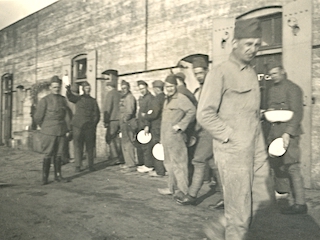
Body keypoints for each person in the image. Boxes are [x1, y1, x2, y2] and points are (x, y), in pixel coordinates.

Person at [197, 18, 272, 239]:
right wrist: (230, 137)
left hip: (256, 147)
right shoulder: (219, 72)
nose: (253, 49)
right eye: (248, 44)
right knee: (240, 210)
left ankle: (219, 227)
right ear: (235, 43)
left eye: (257, 44)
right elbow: (205, 114)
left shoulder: (250, 72)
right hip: (233, 152)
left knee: (264, 196)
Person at [175, 57, 223, 209]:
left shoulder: (213, 86)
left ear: (207, 71)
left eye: (201, 73)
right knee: (213, 164)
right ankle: (227, 197)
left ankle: (192, 195)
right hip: (203, 130)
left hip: (210, 130)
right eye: (196, 74)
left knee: (198, 160)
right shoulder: (201, 88)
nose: (198, 76)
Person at [267, 62, 307, 214]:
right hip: (275, 131)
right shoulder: (272, 90)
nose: (273, 77)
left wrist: (288, 133)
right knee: (278, 166)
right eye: (271, 74)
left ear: (283, 72)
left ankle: (300, 203)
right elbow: (272, 108)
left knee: (292, 167)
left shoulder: (293, 88)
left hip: (289, 132)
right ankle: (283, 200)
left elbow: (297, 113)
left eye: (275, 73)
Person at [158, 74, 196, 197]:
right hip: (166, 137)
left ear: (176, 86)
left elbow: (192, 111)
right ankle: (171, 188)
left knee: (179, 164)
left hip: (176, 137)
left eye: (172, 86)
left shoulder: (181, 98)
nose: (169, 88)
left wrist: (181, 125)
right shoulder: (166, 99)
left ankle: (183, 191)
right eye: (167, 86)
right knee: (168, 164)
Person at [34, 75, 72, 185]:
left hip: (60, 131)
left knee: (59, 154)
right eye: (54, 87)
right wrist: (45, 127)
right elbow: (38, 117)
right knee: (48, 154)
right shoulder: (44, 100)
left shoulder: (62, 100)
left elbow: (66, 115)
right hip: (48, 132)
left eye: (58, 87)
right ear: (50, 87)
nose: (56, 89)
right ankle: (45, 178)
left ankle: (58, 176)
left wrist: (68, 129)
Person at [66, 81, 100, 172]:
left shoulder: (93, 101)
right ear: (83, 89)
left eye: (89, 89)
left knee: (90, 147)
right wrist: (68, 90)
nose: (87, 90)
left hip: (89, 127)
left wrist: (93, 124)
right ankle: (78, 165)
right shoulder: (78, 99)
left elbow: (97, 114)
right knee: (78, 146)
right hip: (78, 126)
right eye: (86, 89)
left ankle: (90, 165)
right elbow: (70, 97)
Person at [144, 80, 166, 177]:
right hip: (164, 126)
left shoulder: (157, 99)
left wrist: (146, 116)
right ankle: (164, 169)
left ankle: (159, 171)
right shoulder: (166, 97)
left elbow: (154, 113)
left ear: (156, 89)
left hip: (156, 127)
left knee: (157, 149)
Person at [103, 70, 123, 165]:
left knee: (110, 138)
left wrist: (105, 121)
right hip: (120, 119)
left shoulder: (109, 94)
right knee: (118, 139)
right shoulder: (119, 93)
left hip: (112, 120)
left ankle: (115, 157)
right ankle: (120, 156)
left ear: (108, 87)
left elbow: (107, 108)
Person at [136, 80, 155, 173]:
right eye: (140, 89)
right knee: (143, 145)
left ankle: (149, 165)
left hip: (146, 125)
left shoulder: (150, 98)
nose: (142, 90)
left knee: (147, 145)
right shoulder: (142, 98)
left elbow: (149, 112)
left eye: (143, 88)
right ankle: (146, 163)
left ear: (147, 87)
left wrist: (147, 125)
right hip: (141, 124)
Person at [119, 80, 138, 173]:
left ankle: (131, 164)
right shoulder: (124, 97)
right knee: (124, 143)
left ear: (128, 88)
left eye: (125, 88)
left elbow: (130, 111)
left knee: (129, 143)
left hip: (129, 123)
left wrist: (125, 119)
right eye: (122, 88)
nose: (123, 90)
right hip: (124, 123)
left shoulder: (130, 98)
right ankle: (128, 163)